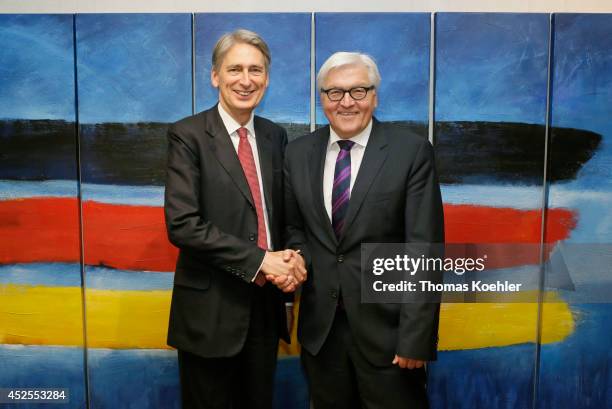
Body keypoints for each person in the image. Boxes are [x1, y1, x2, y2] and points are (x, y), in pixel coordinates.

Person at [281, 52, 445, 409]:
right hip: (321, 335)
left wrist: (415, 338)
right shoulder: (297, 154)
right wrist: (297, 259)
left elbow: (425, 249)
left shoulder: (411, 152)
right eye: (335, 93)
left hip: (389, 336)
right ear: (321, 99)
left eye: (358, 90)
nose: (347, 102)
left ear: (375, 96)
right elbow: (296, 230)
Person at [164, 29, 306, 409]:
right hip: (210, 314)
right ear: (215, 76)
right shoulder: (188, 135)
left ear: (267, 78)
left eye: (256, 70)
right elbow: (183, 225)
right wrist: (261, 259)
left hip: (264, 309)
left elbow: (284, 216)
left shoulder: (275, 136)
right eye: (235, 69)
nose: (246, 80)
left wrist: (294, 258)